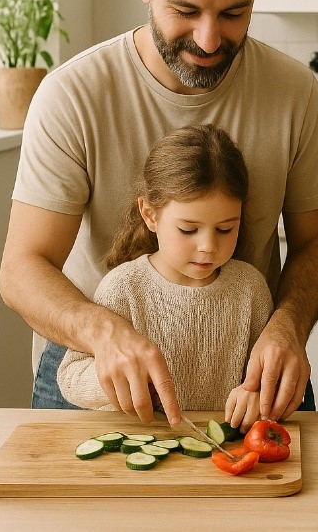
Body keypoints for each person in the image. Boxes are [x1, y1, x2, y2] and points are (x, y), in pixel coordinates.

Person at [0, 0, 318, 427]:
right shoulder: (73, 94)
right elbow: (22, 268)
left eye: (234, 12)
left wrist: (287, 326)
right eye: (185, 10)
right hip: (97, 367)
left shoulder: (294, 92)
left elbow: (317, 243)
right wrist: (105, 332)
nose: (209, 39)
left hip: (249, 375)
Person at [58, 125, 272, 430]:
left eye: (226, 229)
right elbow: (71, 376)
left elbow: (265, 374)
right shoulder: (123, 288)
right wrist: (121, 377)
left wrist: (257, 393)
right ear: (150, 214)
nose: (208, 246)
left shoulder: (250, 289)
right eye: (188, 229)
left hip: (221, 455)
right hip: (137, 449)